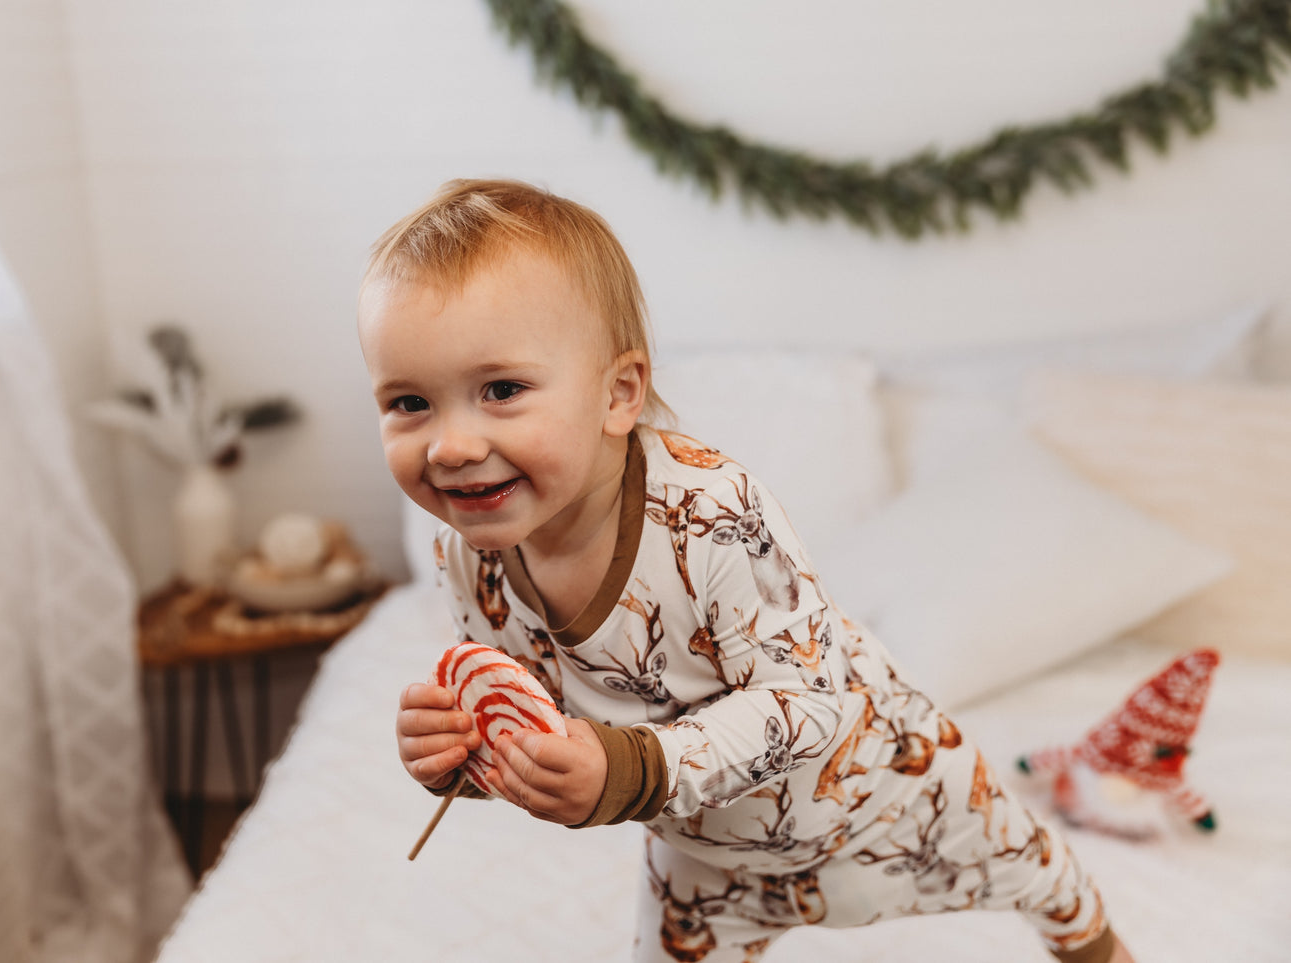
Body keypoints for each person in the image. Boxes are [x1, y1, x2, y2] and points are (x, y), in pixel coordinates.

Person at [359, 178, 1135, 963]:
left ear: (618, 394)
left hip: (881, 786)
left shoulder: (709, 513)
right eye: (409, 402)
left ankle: (1095, 946)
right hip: (705, 839)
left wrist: (632, 766)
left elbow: (806, 699)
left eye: (500, 390)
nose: (449, 446)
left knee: (1037, 875)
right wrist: (463, 754)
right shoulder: (466, 551)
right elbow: (535, 704)